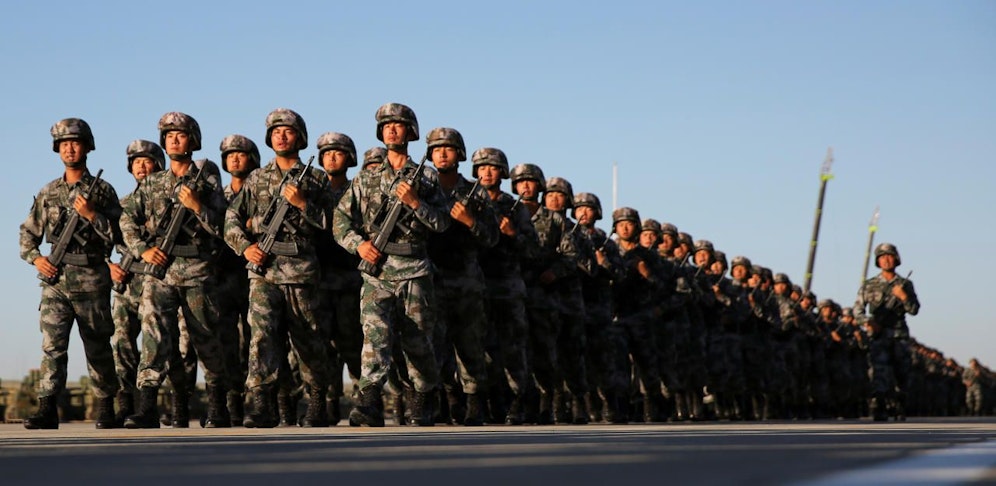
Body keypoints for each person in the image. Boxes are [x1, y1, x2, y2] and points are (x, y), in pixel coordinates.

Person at [333, 102, 450, 427]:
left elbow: (442, 223)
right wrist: (359, 245)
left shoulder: (426, 177)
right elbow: (340, 220)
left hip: (414, 270)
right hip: (377, 272)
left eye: (398, 125)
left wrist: (416, 203)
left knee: (418, 341)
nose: (392, 130)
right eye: (387, 125)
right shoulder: (367, 178)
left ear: (410, 131)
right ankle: (368, 402)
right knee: (375, 337)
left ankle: (423, 397)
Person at [225, 108, 335, 428]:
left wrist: (303, 204)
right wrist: (245, 246)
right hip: (264, 271)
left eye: (287, 131)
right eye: (276, 131)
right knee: (262, 336)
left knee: (308, 337)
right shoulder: (257, 178)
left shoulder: (315, 179)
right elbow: (231, 219)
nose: (281, 136)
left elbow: (334, 224)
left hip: (301, 270)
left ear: (299, 137)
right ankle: (263, 403)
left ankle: (315, 400)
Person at [120, 112, 229, 429]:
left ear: (193, 140)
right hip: (159, 272)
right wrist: (142, 249)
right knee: (153, 338)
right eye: (168, 136)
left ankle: (218, 406)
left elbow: (223, 225)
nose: (174, 140)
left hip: (197, 270)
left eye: (180, 135)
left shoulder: (207, 181)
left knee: (206, 338)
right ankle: (147, 407)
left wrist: (198, 207)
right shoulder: (153, 183)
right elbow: (127, 219)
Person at [20, 118, 122, 429]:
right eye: (64, 144)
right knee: (52, 346)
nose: (70, 148)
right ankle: (47, 408)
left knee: (98, 346)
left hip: (92, 279)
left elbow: (120, 235)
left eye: (75, 142)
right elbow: (27, 234)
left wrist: (93, 215)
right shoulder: (48, 192)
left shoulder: (102, 191)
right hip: (56, 281)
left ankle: (106, 407)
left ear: (87, 147)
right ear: (57, 150)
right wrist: (37, 259)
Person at [425, 128, 498, 425]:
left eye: (449, 148)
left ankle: (474, 403)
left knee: (469, 345)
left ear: (460, 154)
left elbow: (492, 237)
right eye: (437, 148)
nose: (442, 153)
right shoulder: (423, 189)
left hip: (466, 279)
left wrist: (471, 221)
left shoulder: (474, 192)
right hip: (431, 277)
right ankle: (449, 396)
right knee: (434, 344)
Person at [474, 148, 537, 425]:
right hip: (477, 284)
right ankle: (490, 401)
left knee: (513, 348)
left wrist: (513, 234)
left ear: (502, 173)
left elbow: (533, 251)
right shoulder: (468, 202)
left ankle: (518, 401)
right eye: (482, 167)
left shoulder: (516, 208)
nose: (487, 172)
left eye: (493, 167)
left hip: (508, 286)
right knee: (481, 348)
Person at [108, 139, 164, 426]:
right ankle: (124, 404)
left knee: (159, 344)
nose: (142, 166)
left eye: (148, 160)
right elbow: (102, 242)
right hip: (127, 282)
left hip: (158, 279)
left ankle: (152, 405)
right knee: (121, 343)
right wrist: (110, 268)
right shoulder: (122, 205)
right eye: (136, 162)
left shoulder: (169, 202)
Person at [314, 131, 363, 425]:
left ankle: (363, 402)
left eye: (338, 152)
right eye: (327, 153)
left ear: (349, 158)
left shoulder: (359, 190)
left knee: (354, 344)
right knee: (321, 346)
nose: (332, 157)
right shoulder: (312, 191)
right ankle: (326, 402)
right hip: (319, 279)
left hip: (350, 279)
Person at [215, 134, 261, 425]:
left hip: (257, 275)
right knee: (226, 343)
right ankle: (232, 400)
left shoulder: (263, 193)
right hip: (224, 276)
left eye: (240, 154)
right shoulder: (216, 197)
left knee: (257, 342)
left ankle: (263, 400)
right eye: (230, 154)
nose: (235, 158)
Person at [854, 242, 920, 421]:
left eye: (889, 256)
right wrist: (868, 322)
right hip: (878, 334)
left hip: (899, 334)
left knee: (901, 370)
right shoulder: (869, 285)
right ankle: (880, 405)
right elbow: (857, 310)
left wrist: (904, 297)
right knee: (879, 370)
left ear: (896, 259)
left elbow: (914, 309)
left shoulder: (905, 284)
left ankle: (898, 403)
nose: (886, 260)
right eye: (882, 257)